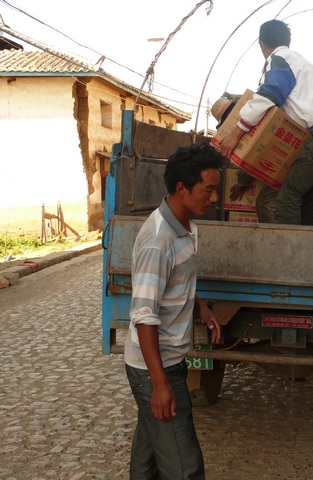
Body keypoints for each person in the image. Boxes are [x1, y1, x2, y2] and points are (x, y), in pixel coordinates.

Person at [123, 142, 225, 479]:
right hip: (156, 367)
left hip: (168, 363)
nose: (214, 198)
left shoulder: (185, 227)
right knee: (185, 467)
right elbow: (144, 315)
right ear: (182, 188)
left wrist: (200, 306)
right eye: (208, 190)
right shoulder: (158, 241)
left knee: (148, 460)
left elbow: (172, 282)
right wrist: (159, 384)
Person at [219, 19, 313, 226]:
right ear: (287, 40)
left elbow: (269, 94)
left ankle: (287, 247)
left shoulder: (279, 58)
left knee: (286, 198)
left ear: (261, 44)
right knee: (307, 204)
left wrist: (235, 134)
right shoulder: (301, 64)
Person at [211, 95, 276, 223]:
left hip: (283, 165)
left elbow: (251, 155)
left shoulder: (247, 125)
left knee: (264, 204)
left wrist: (242, 183)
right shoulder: (255, 116)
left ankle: (278, 236)